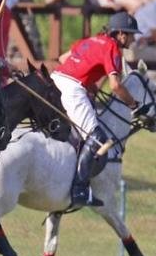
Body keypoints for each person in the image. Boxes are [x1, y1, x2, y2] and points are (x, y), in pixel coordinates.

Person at [51, 12, 145, 210]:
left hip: (56, 80)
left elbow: (62, 58)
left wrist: (90, 84)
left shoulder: (90, 40)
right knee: (97, 138)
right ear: (120, 34)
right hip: (72, 88)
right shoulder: (112, 48)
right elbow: (115, 86)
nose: (133, 38)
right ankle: (80, 190)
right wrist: (134, 105)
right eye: (130, 34)